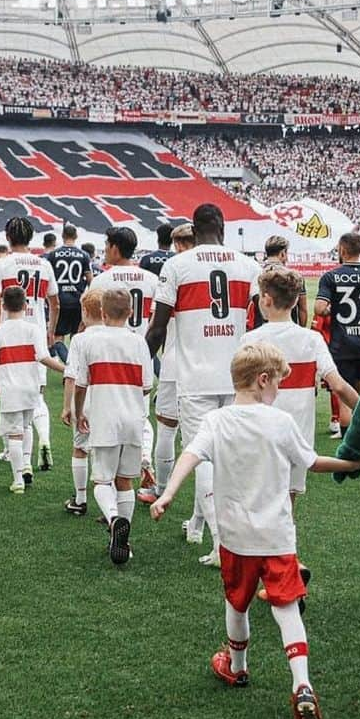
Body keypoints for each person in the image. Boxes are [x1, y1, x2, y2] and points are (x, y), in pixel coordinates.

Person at [151, 342, 360, 719]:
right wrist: (354, 462)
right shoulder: (279, 421)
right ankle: (301, 683)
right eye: (278, 384)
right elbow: (313, 462)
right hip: (278, 536)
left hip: (236, 538)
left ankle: (237, 667)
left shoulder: (217, 421)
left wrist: (167, 494)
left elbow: (191, 456)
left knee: (238, 605)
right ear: (262, 380)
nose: (278, 391)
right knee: (285, 609)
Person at [146, 203, 260, 567]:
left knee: (202, 456)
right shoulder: (247, 265)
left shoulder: (178, 265)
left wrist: (139, 365)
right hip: (238, 374)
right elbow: (258, 323)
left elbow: (158, 327)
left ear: (194, 231)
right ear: (223, 228)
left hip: (194, 377)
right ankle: (198, 524)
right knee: (230, 455)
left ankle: (222, 542)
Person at [242, 266, 360, 597]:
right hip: (297, 439)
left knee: (260, 508)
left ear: (266, 299)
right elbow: (337, 385)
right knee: (285, 507)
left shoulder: (251, 340)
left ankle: (287, 571)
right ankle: (283, 571)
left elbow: (238, 391)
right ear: (296, 301)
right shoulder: (311, 339)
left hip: (259, 434)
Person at [73, 288, 155, 564]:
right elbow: (146, 386)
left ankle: (113, 519)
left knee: (101, 479)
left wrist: (78, 411)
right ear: (131, 313)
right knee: (125, 481)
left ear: (103, 314)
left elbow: (81, 384)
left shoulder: (89, 342)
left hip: (104, 416)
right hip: (133, 418)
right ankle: (124, 540)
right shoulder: (139, 343)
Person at [0, 216, 60, 472]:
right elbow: (54, 303)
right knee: (36, 394)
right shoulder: (44, 264)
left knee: (9, 391)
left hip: (9, 335)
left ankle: (14, 453)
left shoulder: (1, 265)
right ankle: (44, 440)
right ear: (31, 237)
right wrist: (50, 330)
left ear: (8, 237)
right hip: (35, 331)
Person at [91, 226, 161, 490]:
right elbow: (158, 321)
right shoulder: (151, 280)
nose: (105, 250)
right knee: (140, 414)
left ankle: (108, 481)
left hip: (109, 355)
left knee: (107, 414)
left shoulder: (101, 281)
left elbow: (93, 322)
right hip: (139, 351)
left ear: (115, 248)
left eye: (107, 245)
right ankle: (142, 458)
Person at [0, 285, 66, 493]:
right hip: (30, 387)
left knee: (14, 435)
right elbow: (43, 357)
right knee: (27, 427)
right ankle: (26, 464)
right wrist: (66, 369)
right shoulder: (33, 329)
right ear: (26, 305)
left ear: (3, 306)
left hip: (10, 389)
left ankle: (18, 479)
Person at [143, 223, 195, 504]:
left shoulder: (174, 270)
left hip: (176, 361)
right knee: (205, 437)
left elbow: (157, 325)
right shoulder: (212, 268)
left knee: (167, 425)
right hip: (213, 365)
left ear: (177, 245)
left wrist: (144, 361)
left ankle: (162, 489)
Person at [315, 233, 360, 414]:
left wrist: (333, 310)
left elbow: (320, 308)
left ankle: (347, 441)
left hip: (342, 343)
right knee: (359, 395)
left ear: (342, 250)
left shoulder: (331, 277)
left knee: (344, 399)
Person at [61, 287, 106, 515]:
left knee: (80, 448)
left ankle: (80, 499)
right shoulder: (116, 336)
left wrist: (67, 407)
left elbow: (72, 375)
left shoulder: (79, 339)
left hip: (85, 400)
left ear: (85, 312)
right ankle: (109, 504)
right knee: (106, 451)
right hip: (109, 399)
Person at [45, 224, 92, 359]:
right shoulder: (84, 255)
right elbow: (90, 280)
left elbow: (48, 278)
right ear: (76, 236)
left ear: (63, 236)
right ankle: (75, 366)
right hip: (77, 301)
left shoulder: (53, 255)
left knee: (58, 337)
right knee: (76, 337)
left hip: (59, 301)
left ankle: (68, 366)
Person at [248, 235, 308, 328]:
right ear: (283, 253)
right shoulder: (295, 276)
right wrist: (302, 330)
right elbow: (303, 309)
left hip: (262, 331)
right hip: (289, 330)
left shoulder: (256, 275)